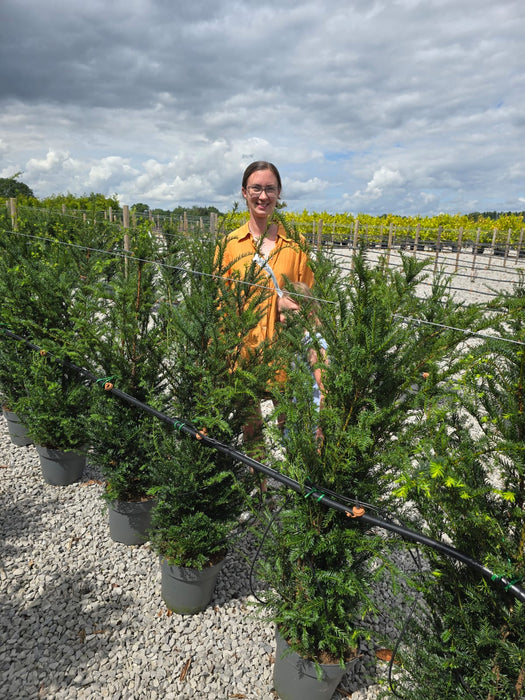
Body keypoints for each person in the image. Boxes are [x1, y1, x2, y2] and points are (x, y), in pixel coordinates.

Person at [219, 161, 314, 460]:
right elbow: (220, 303)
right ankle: (260, 489)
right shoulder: (230, 245)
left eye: (269, 188)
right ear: (244, 192)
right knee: (252, 429)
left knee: (291, 426)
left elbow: (310, 299)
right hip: (244, 351)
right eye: (256, 188)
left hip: (285, 352)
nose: (263, 196)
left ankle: (295, 488)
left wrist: (294, 306)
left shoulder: (295, 245)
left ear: (279, 193)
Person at [277, 282, 328, 447]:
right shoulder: (298, 341)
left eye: (291, 311)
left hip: (312, 422)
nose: (283, 318)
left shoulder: (313, 343)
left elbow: (325, 388)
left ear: (309, 311)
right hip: (301, 419)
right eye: (280, 312)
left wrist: (321, 430)